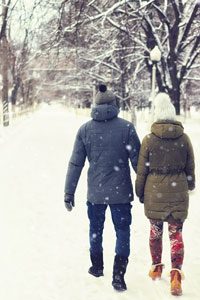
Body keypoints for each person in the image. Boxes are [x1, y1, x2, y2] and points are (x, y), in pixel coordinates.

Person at [64, 83, 141, 292]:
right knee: (122, 231)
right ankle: (118, 275)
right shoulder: (126, 128)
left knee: (95, 230)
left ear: (95, 104)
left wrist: (68, 192)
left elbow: (75, 163)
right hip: (121, 194)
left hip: (96, 193)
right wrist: (143, 189)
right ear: (114, 104)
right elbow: (138, 163)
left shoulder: (85, 130)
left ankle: (97, 266)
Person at [135, 92, 195, 296]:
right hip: (178, 192)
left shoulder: (149, 139)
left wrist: (140, 191)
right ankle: (176, 274)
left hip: (154, 191)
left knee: (156, 232)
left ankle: (156, 267)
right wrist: (190, 185)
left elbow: (142, 169)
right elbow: (190, 167)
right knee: (176, 234)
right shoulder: (184, 138)